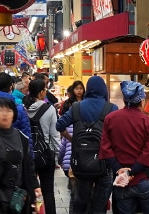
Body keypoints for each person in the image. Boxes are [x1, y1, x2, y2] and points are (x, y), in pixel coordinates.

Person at [55, 75, 117, 214]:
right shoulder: (111, 108)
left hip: (80, 163)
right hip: (104, 163)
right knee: (100, 205)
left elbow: (59, 125)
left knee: (81, 202)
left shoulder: (76, 107)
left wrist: (72, 139)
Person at [100, 81, 149, 214]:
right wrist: (131, 172)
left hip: (121, 183)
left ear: (124, 98)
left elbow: (106, 149)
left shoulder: (110, 119)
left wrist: (121, 171)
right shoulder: (147, 122)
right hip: (143, 181)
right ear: (141, 100)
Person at [0, 97, 41, 213]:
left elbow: (28, 166)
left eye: (9, 111)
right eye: (1, 110)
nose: (5, 114)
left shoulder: (22, 138)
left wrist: (35, 186)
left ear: (14, 115)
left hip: (18, 199)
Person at [24, 79, 60, 214]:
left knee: (30, 189)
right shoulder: (49, 109)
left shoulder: (23, 107)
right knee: (48, 192)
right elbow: (55, 135)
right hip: (45, 154)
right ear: (41, 92)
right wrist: (57, 156)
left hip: (28, 155)